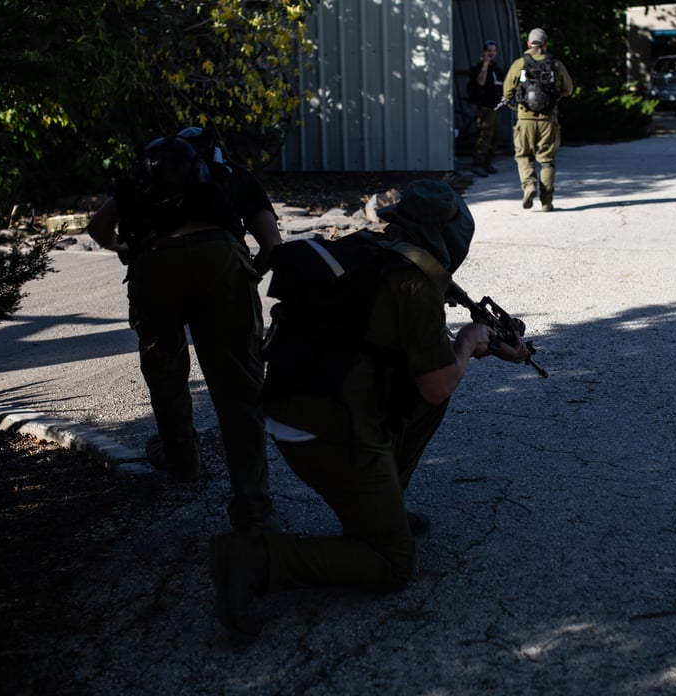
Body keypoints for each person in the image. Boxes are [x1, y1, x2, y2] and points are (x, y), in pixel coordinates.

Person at [208, 179, 530, 635]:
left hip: (294, 400)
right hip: (329, 429)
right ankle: (252, 558)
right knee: (392, 563)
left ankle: (383, 507)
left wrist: (487, 344)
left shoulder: (372, 249)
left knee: (425, 393)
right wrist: (469, 343)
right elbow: (438, 384)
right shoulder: (414, 284)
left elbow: (407, 351)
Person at [87, 127, 281, 535]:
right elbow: (272, 245)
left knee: (164, 366)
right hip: (221, 259)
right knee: (239, 385)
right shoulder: (235, 175)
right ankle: (253, 507)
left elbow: (99, 226)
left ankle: (181, 458)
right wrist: (247, 278)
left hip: (154, 263)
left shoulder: (142, 177)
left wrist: (122, 249)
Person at [502, 27, 574, 212]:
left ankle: (528, 185)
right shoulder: (555, 64)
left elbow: (507, 91)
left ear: (528, 44)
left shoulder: (519, 64)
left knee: (523, 155)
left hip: (524, 119)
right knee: (547, 160)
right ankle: (546, 202)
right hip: (548, 120)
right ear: (545, 44)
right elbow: (569, 89)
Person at [467, 40, 506, 176]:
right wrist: (485, 65)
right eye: (489, 51)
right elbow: (480, 82)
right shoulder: (480, 67)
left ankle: (487, 163)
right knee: (484, 135)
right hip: (484, 106)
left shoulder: (497, 68)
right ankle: (477, 163)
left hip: (496, 106)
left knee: (494, 136)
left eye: (493, 51)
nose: (491, 53)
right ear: (484, 52)